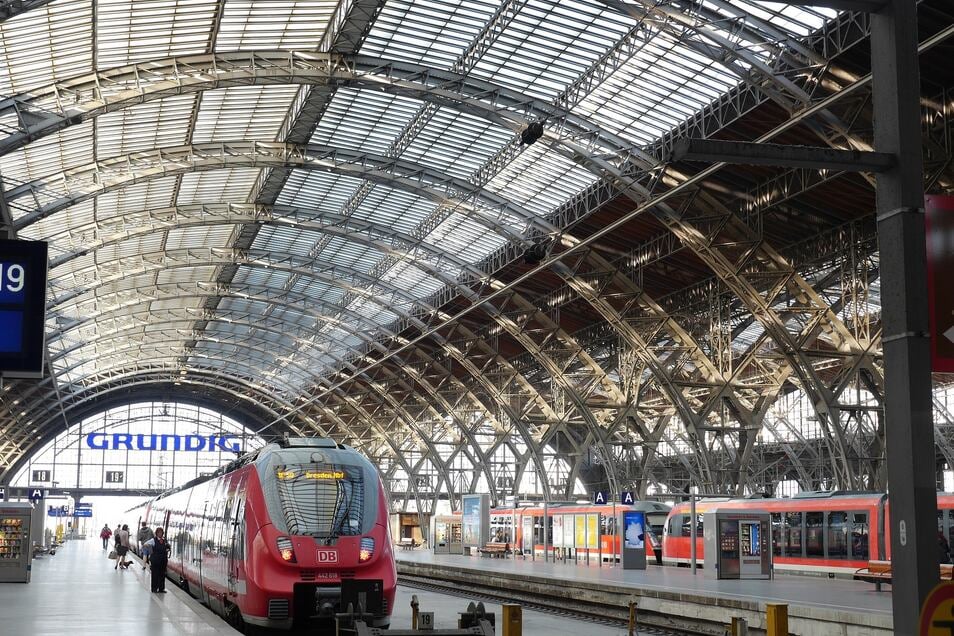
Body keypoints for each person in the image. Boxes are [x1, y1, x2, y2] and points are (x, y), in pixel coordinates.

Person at [148, 527, 171, 593]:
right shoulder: (153, 540)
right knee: (155, 574)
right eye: (158, 533)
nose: (160, 534)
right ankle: (154, 588)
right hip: (155, 560)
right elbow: (146, 544)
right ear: (156, 533)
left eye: (161, 533)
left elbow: (167, 548)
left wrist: (168, 548)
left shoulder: (164, 540)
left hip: (163, 560)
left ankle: (161, 588)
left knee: (162, 574)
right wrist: (151, 552)